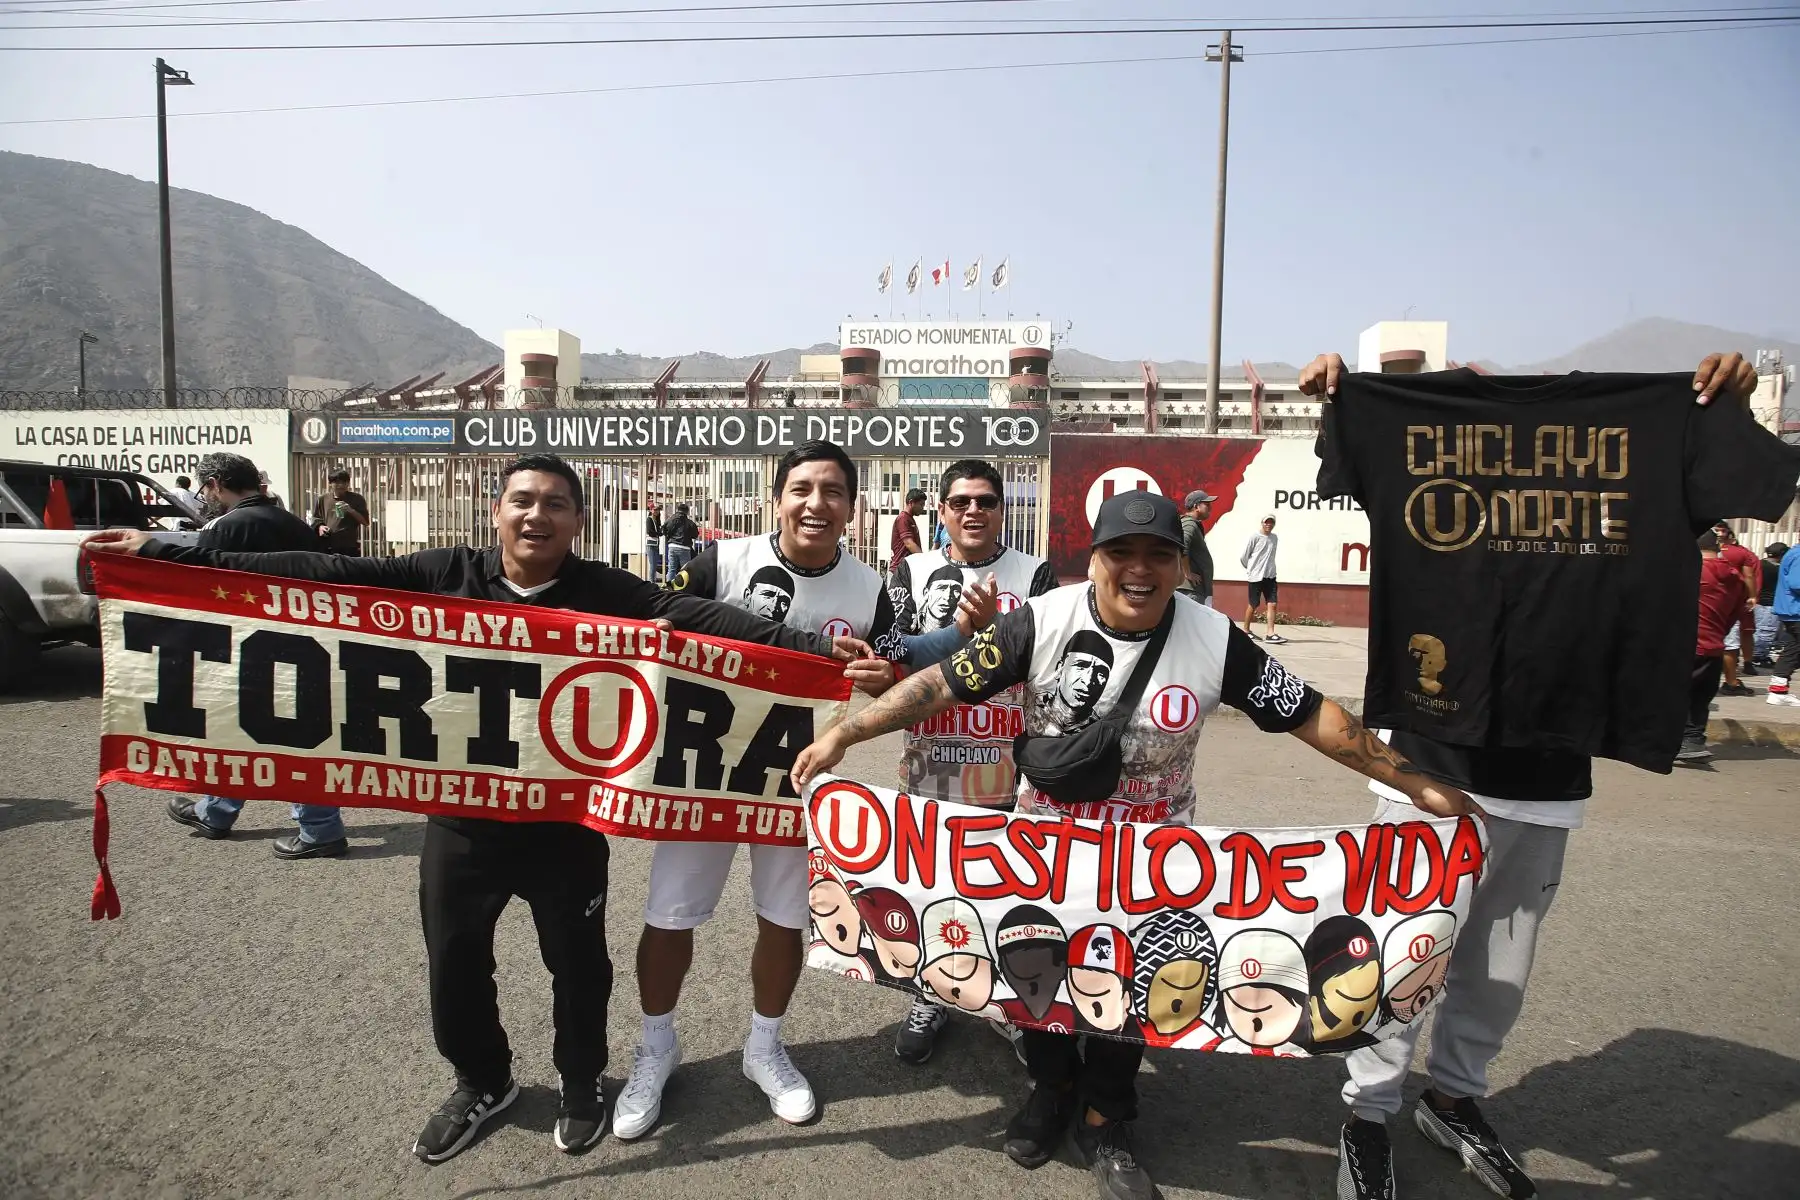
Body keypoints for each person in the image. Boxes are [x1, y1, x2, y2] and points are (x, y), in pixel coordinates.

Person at [85, 452, 848, 1166]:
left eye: (555, 504)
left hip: (564, 822)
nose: (537, 516)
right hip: (462, 820)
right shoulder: (445, 573)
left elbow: (696, 617)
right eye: (523, 501)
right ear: (497, 512)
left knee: (579, 966)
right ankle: (483, 1080)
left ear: (577, 521)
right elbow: (326, 570)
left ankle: (582, 1079)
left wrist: (813, 650)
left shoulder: (606, 590)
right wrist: (168, 553)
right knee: (454, 963)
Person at [792, 489, 1477, 1200]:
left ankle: (1107, 1118)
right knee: (1040, 975)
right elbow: (942, 684)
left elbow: (1311, 715)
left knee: (1141, 987)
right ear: (1094, 561)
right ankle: (1051, 1088)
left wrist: (1417, 785)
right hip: (1047, 848)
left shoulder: (1214, 639)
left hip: (1154, 861)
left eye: (1159, 555)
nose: (1140, 570)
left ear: (1182, 566)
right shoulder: (1042, 620)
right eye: (1121, 553)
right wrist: (846, 733)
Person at [1300, 350, 1770, 1200]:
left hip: (1551, 761)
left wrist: (1729, 404)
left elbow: (1752, 481)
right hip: (1427, 758)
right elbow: (1344, 453)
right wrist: (1342, 388)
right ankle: (1367, 1114)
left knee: (1500, 965)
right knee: (1401, 949)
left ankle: (1454, 1099)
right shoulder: (1416, 421)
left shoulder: (1659, 417)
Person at [616, 440, 899, 1142]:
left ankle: (764, 1047)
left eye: (833, 491)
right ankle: (655, 1048)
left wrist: (879, 681)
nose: (816, 503)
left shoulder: (870, 589)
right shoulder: (721, 562)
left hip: (798, 781)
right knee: (670, 916)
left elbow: (888, 676)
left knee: (785, 919)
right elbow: (661, 616)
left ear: (852, 508)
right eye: (801, 488)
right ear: (777, 500)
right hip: (703, 775)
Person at [885, 459, 1058, 1064]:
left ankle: (1003, 1001)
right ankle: (932, 993)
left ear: (1002, 509)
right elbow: (896, 651)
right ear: (942, 511)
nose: (973, 511)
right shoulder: (912, 571)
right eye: (960, 502)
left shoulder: (1035, 574)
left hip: (1006, 760)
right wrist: (961, 633)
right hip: (931, 757)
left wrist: (996, 630)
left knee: (1004, 886)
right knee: (930, 882)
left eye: (985, 501)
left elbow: (1050, 658)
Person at [160, 452, 350, 859]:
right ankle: (216, 811)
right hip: (305, 646)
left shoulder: (224, 528)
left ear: (215, 484)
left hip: (248, 649)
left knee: (260, 732)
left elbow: (201, 590)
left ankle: (320, 827)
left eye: (204, 488)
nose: (204, 496)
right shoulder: (293, 524)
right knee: (271, 732)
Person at [1681, 530, 1748, 762]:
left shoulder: (1689, 571)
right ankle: (1693, 741)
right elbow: (1735, 614)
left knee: (1674, 694)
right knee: (1699, 698)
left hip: (1684, 644)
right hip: (1714, 645)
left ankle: (1675, 742)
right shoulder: (1735, 577)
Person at [1712, 522, 1761, 692]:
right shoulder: (1741, 553)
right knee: (1732, 641)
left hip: (1705, 602)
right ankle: (1731, 681)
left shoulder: (1693, 551)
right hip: (1730, 603)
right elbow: (1750, 576)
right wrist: (1752, 596)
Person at [1240, 515, 1284, 643]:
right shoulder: (1255, 537)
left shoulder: (1274, 538)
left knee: (1272, 604)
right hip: (1256, 576)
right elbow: (1244, 557)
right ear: (1262, 523)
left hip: (1270, 576)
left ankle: (1270, 633)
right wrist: (1251, 569)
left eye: (1271, 523)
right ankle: (1246, 630)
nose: (1268, 525)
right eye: (1266, 522)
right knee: (1253, 604)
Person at [310, 468, 369, 555]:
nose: (341, 485)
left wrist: (350, 510)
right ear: (330, 483)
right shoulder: (323, 499)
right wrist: (320, 527)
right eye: (337, 482)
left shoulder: (357, 499)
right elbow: (316, 519)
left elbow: (365, 522)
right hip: (328, 545)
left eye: (344, 482)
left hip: (349, 546)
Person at [1769, 541, 1800, 708]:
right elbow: (1797, 583)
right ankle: (1778, 691)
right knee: (1793, 651)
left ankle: (1778, 690)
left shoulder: (1794, 553)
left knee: (1792, 650)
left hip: (1792, 610)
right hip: (1795, 610)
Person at [1754, 540, 1790, 668]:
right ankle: (1759, 656)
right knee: (1766, 631)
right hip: (1769, 604)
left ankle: (1759, 654)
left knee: (1760, 630)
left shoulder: (1759, 564)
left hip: (1758, 603)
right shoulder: (1777, 569)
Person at [1177, 489, 1214, 606]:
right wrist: (1187, 573)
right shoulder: (1190, 524)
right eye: (1207, 504)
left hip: (1193, 589)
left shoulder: (1191, 523)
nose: (1210, 508)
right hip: (1190, 590)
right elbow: (1182, 545)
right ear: (1196, 506)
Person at [891, 487, 926, 573]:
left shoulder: (909, 519)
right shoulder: (903, 518)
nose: (922, 508)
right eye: (921, 505)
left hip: (907, 569)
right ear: (911, 502)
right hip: (899, 570)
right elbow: (909, 543)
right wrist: (925, 560)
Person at [663, 502, 699, 577]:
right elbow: (695, 535)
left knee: (671, 569)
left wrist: (669, 537)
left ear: (678, 510)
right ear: (687, 512)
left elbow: (664, 530)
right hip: (684, 547)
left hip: (672, 546)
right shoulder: (690, 523)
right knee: (685, 570)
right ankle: (684, 585)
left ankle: (669, 584)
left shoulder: (670, 520)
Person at [644, 501, 664, 583]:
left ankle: (653, 581)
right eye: (655, 510)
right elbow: (649, 531)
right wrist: (659, 534)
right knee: (652, 564)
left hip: (656, 544)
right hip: (650, 544)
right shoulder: (649, 519)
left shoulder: (657, 519)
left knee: (655, 564)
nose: (657, 511)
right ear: (651, 510)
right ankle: (652, 582)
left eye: (658, 510)